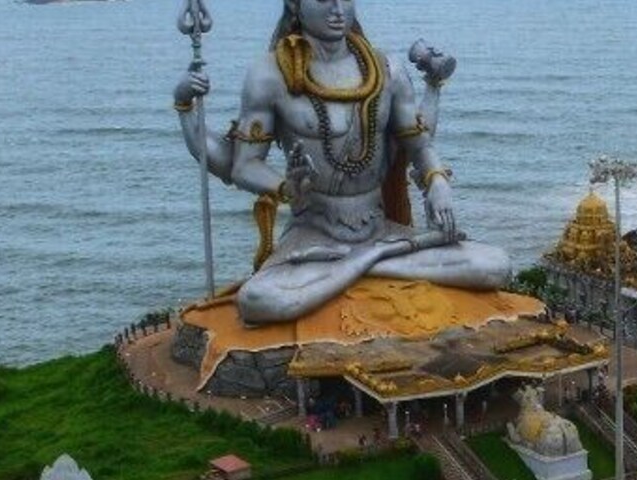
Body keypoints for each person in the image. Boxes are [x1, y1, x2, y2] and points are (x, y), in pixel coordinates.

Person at [172, 0, 509, 324]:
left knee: (494, 265)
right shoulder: (270, 74)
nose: (337, 10)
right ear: (295, 5)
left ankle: (366, 261)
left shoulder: (387, 69)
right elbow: (242, 165)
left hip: (379, 229)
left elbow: (419, 146)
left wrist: (437, 181)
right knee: (259, 299)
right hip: (314, 233)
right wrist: (286, 187)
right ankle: (372, 259)